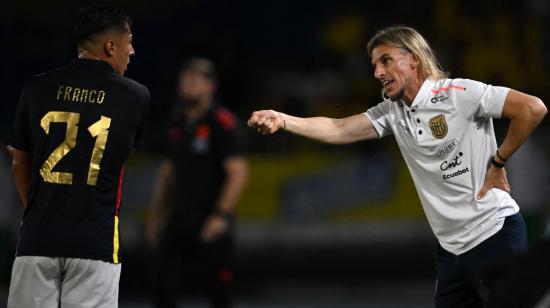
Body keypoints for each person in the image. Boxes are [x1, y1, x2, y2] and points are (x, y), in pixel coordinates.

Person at [247, 26, 547, 307]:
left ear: (413, 60)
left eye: (386, 61)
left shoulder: (458, 93)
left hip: (493, 233)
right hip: (451, 250)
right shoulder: (392, 113)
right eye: (375, 65)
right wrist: (283, 119)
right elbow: (339, 128)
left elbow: (532, 108)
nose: (378, 72)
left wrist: (498, 161)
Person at [7, 6, 150, 308]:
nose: (132, 51)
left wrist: (35, 209)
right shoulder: (134, 96)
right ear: (111, 46)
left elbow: (19, 161)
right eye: (129, 42)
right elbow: (120, 154)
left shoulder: (36, 87)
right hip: (94, 244)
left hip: (37, 238)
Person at [147, 58, 248, 308]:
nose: (190, 82)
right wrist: (156, 214)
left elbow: (238, 172)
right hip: (179, 218)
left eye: (198, 78)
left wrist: (221, 215)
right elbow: (168, 171)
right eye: (186, 77)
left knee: (217, 292)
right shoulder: (177, 122)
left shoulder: (221, 122)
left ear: (211, 86)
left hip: (209, 220)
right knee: (162, 287)